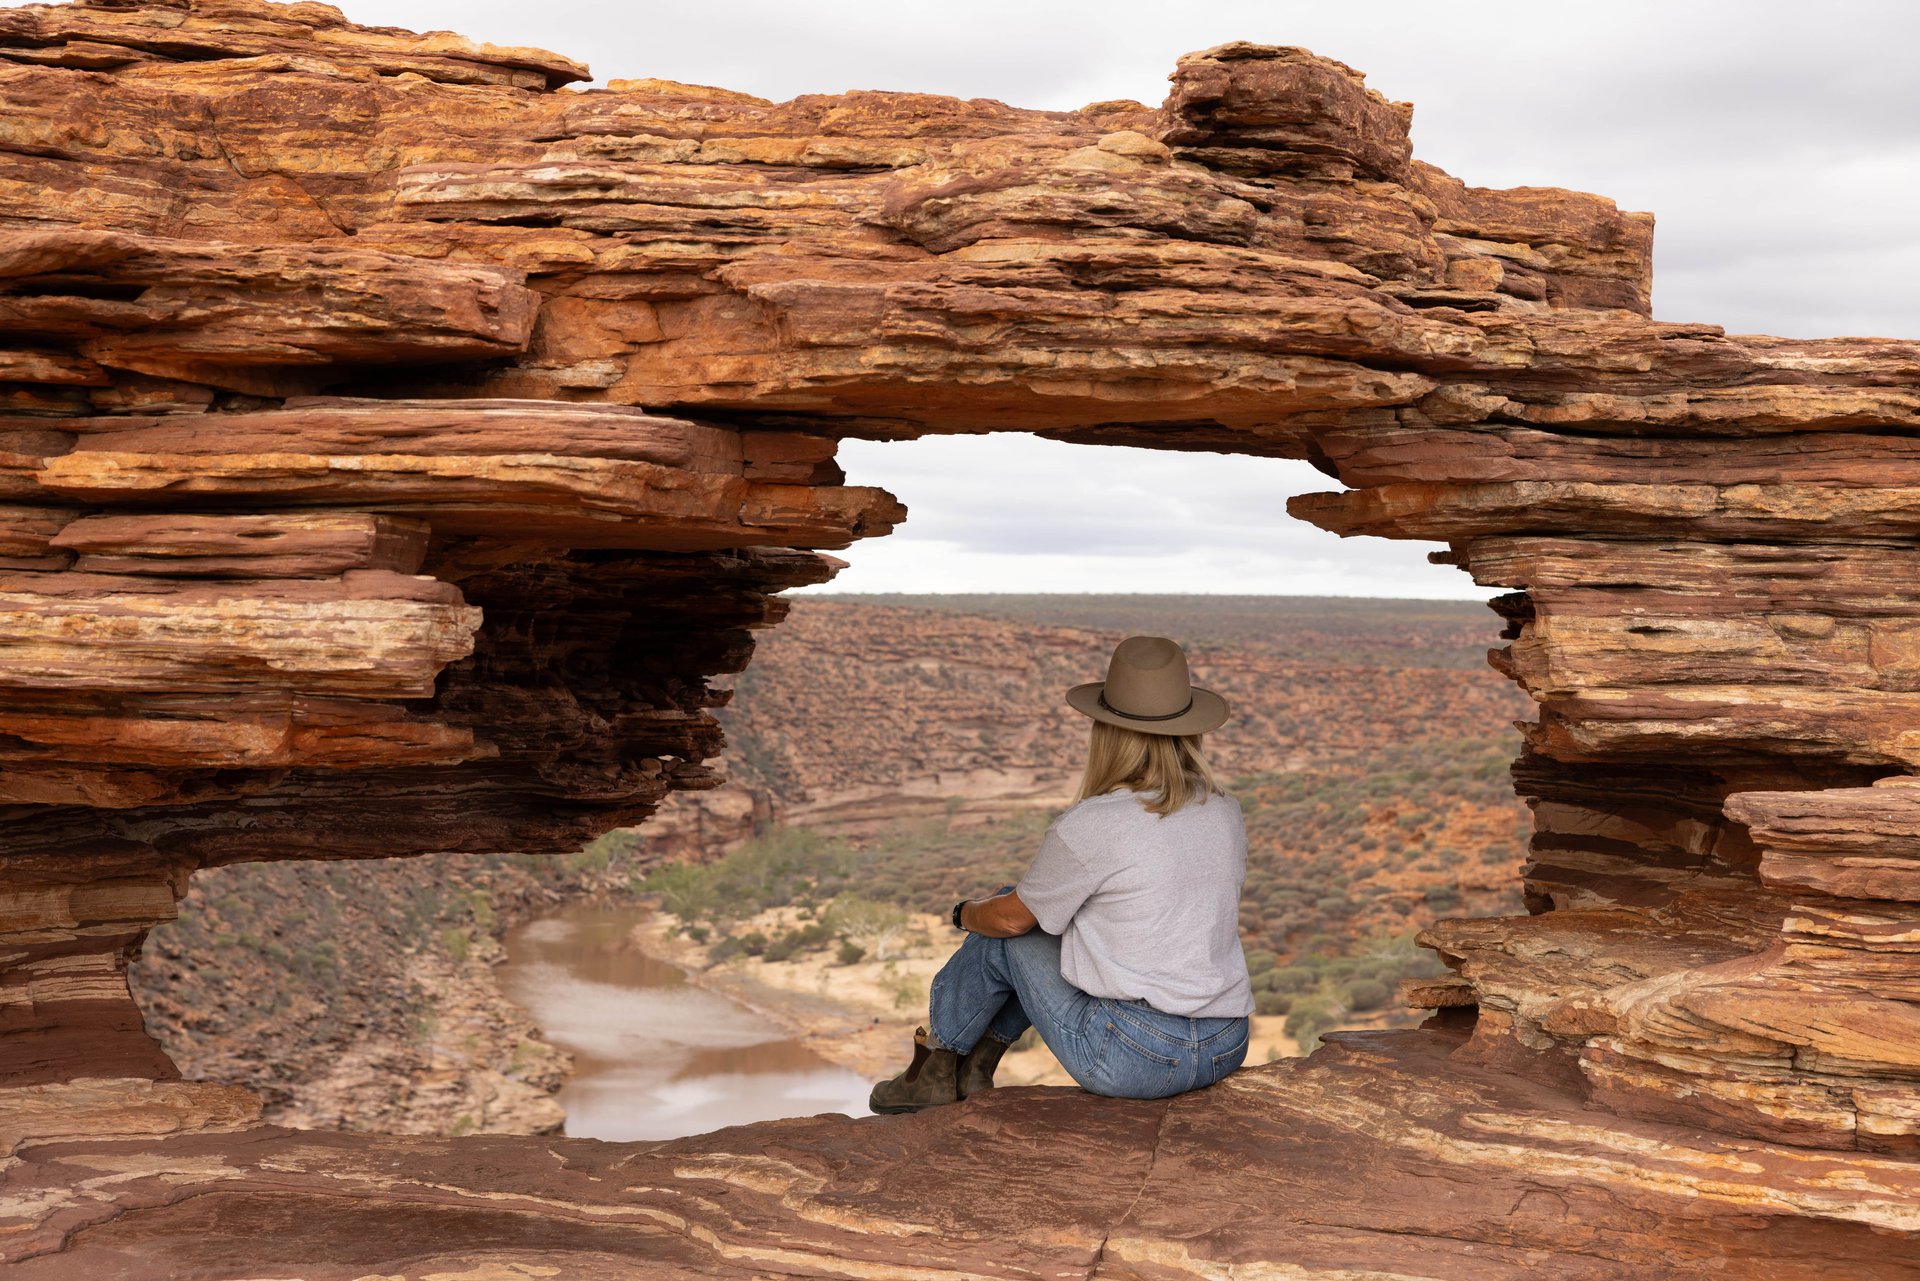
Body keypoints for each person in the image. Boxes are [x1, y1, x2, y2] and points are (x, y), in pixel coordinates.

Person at [869, 634, 1254, 1112]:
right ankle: (970, 1068)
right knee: (1031, 914)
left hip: (1135, 1057)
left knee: (1006, 922)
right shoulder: (1223, 810)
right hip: (1226, 1044)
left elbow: (1011, 922)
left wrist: (962, 913)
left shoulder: (1096, 823)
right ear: (1190, 731)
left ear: (1107, 733)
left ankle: (935, 1066)